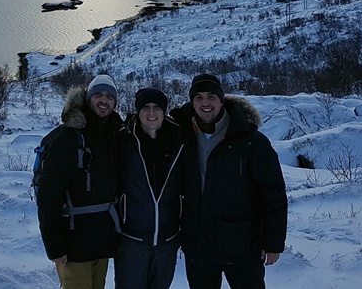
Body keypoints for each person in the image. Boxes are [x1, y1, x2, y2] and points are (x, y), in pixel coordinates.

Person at [171, 73, 287, 289]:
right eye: (198, 98)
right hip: (199, 243)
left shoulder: (249, 139)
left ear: (221, 100)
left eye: (211, 97)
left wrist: (273, 242)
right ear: (191, 101)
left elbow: (273, 192)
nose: (205, 103)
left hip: (243, 243)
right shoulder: (180, 135)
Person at [36, 73, 124, 289]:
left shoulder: (111, 134)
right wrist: (55, 247)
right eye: (98, 95)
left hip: (101, 242)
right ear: (88, 99)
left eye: (109, 96)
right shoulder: (68, 138)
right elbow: (48, 196)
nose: (104, 100)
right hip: (73, 245)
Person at [114, 87, 186, 289]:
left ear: (164, 111)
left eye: (157, 108)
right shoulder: (124, 140)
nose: (151, 113)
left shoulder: (179, 139)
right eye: (146, 107)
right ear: (138, 111)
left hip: (167, 239)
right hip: (131, 239)